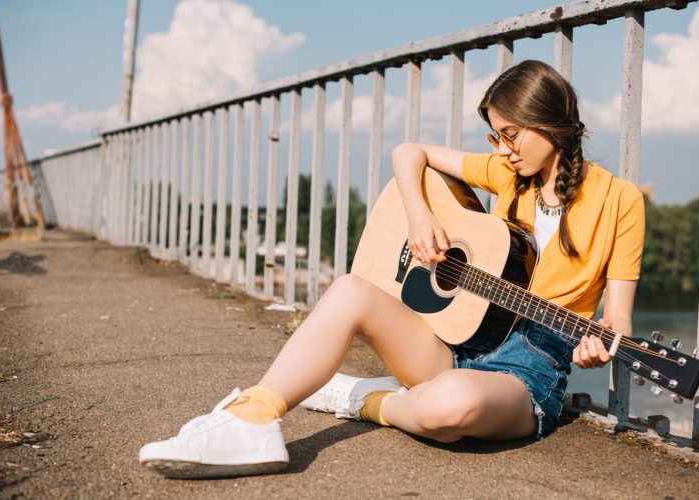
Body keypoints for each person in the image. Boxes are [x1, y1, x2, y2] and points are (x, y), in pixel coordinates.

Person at [138, 59, 645, 479]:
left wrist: (599, 345)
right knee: (350, 290)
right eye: (494, 138)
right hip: (454, 340)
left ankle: (364, 397)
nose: (502, 150)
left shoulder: (620, 201)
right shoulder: (505, 175)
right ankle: (252, 417)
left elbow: (618, 320)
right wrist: (422, 218)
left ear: (548, 122)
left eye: (510, 135)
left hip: (528, 371)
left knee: (449, 409)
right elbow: (410, 152)